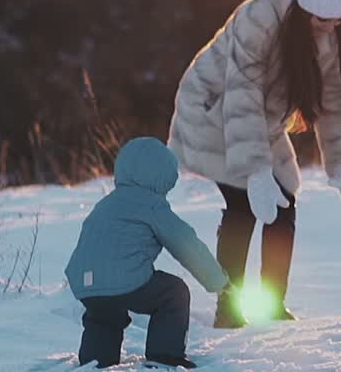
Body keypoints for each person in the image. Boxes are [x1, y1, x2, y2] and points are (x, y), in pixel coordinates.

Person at [168, 0, 341, 328]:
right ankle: (228, 307)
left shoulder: (327, 37)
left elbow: (334, 105)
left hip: (259, 123)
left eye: (336, 21)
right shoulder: (258, 21)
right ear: (304, 9)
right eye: (322, 20)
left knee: (284, 205)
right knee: (242, 203)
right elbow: (241, 96)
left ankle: (271, 305)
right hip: (211, 113)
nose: (329, 28)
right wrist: (255, 171)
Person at [65, 137, 229, 369]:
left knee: (104, 316)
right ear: (162, 176)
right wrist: (218, 281)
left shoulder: (106, 204)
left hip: (86, 283)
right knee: (173, 293)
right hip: (124, 278)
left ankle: (95, 362)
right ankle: (165, 356)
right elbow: (186, 244)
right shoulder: (151, 204)